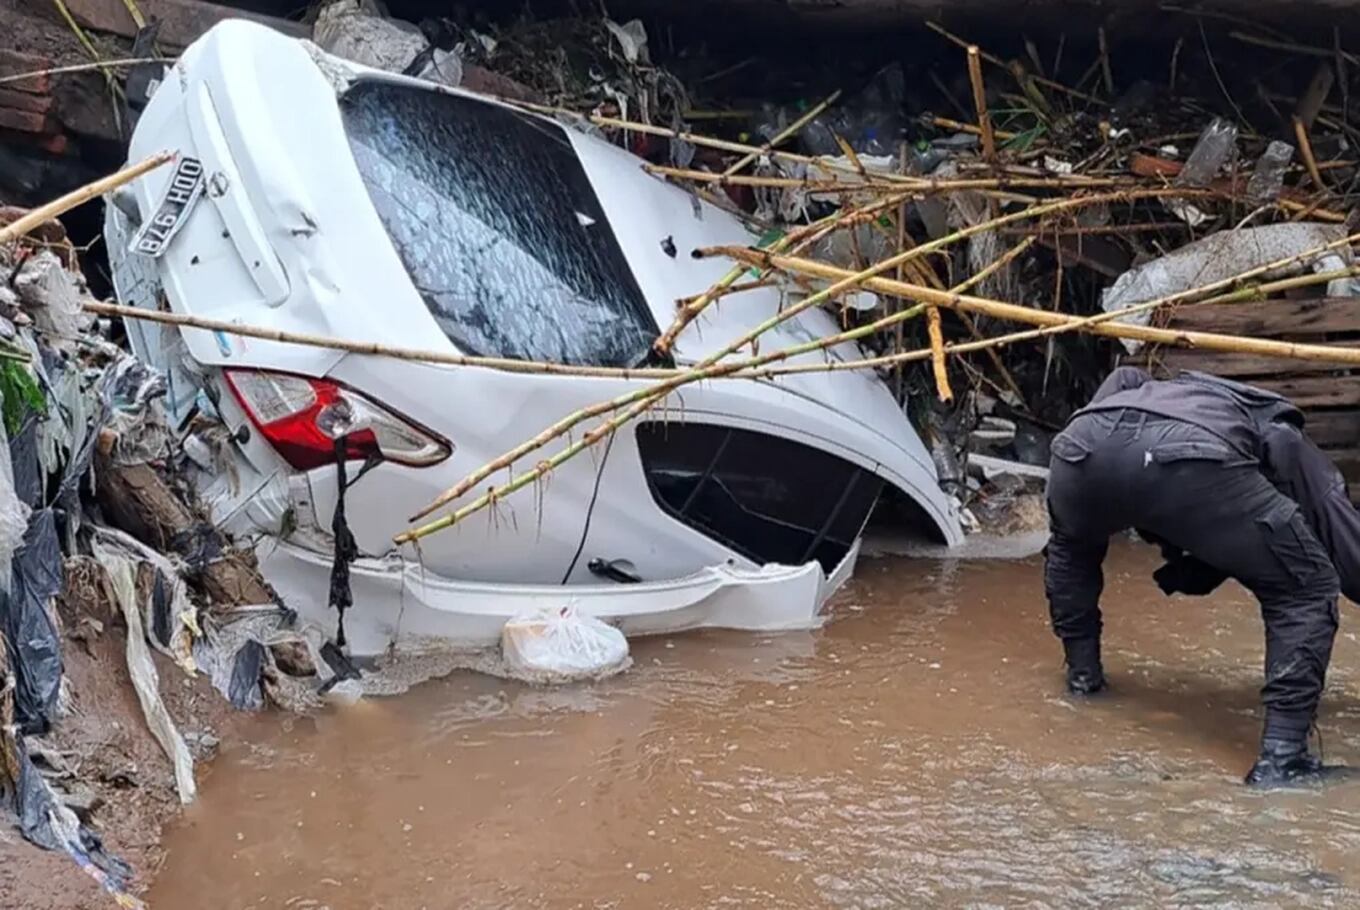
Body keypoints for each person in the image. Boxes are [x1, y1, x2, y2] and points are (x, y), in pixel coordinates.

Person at [1043, 366, 1360, 786]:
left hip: (1078, 449)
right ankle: (1283, 760)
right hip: (1188, 457)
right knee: (1308, 587)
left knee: (1072, 547)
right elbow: (1339, 533)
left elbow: (1117, 389)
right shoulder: (1278, 427)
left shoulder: (1143, 388)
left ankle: (1084, 681)